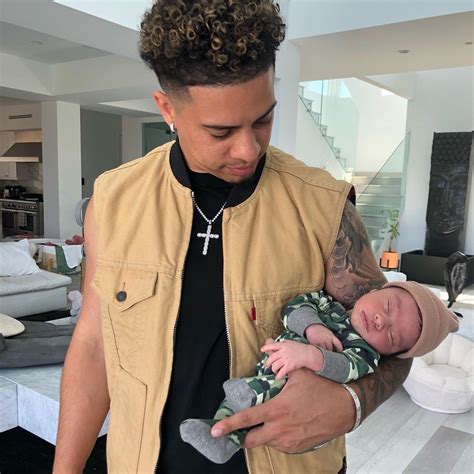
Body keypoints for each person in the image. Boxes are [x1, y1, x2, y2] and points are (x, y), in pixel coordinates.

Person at [53, 1, 413, 473]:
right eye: (220, 131)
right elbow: (94, 344)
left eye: (263, 120)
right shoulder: (113, 201)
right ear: (167, 109)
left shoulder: (324, 206)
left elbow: (396, 340)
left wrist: (350, 405)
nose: (248, 149)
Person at [180, 281, 459, 463]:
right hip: (269, 366)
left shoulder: (365, 354)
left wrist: (311, 356)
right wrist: (312, 327)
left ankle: (248, 399)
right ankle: (218, 434)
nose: (380, 321)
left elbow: (345, 369)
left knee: (262, 401)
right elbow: (296, 306)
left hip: (295, 399)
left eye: (393, 336)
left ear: (393, 353)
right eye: (387, 306)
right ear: (376, 289)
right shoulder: (329, 306)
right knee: (235, 403)